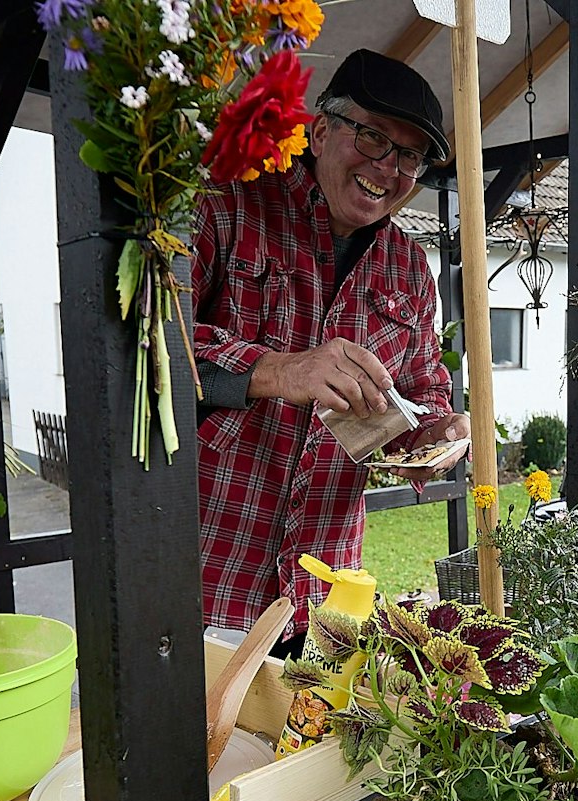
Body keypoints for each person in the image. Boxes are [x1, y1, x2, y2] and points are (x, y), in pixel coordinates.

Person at [192, 50, 469, 639]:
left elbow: (420, 395)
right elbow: (148, 355)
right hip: (209, 576)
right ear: (320, 132)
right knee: (203, 734)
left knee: (309, 733)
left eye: (410, 156)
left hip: (327, 597)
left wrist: (439, 434)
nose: (388, 168)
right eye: (372, 138)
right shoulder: (228, 202)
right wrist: (272, 371)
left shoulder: (409, 267)